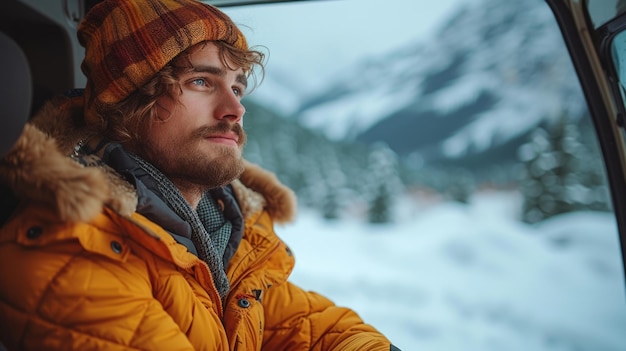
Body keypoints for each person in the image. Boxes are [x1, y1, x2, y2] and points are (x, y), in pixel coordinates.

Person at [0, 0, 400, 350]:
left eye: (237, 89)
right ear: (128, 101)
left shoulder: (224, 229)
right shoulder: (71, 252)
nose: (235, 109)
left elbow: (301, 326)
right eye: (201, 82)